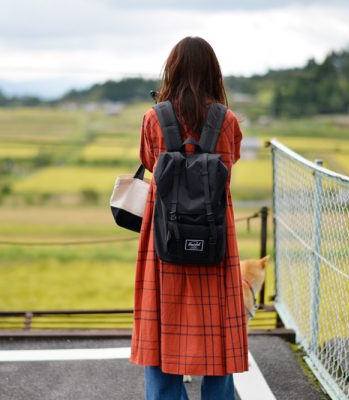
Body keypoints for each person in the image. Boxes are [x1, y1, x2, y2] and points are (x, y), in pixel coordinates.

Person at [130, 36, 247, 400]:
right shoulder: (226, 120)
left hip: (164, 231)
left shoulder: (154, 117)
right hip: (214, 231)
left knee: (161, 331)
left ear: (172, 68)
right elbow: (230, 163)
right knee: (218, 330)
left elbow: (150, 163)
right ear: (214, 71)